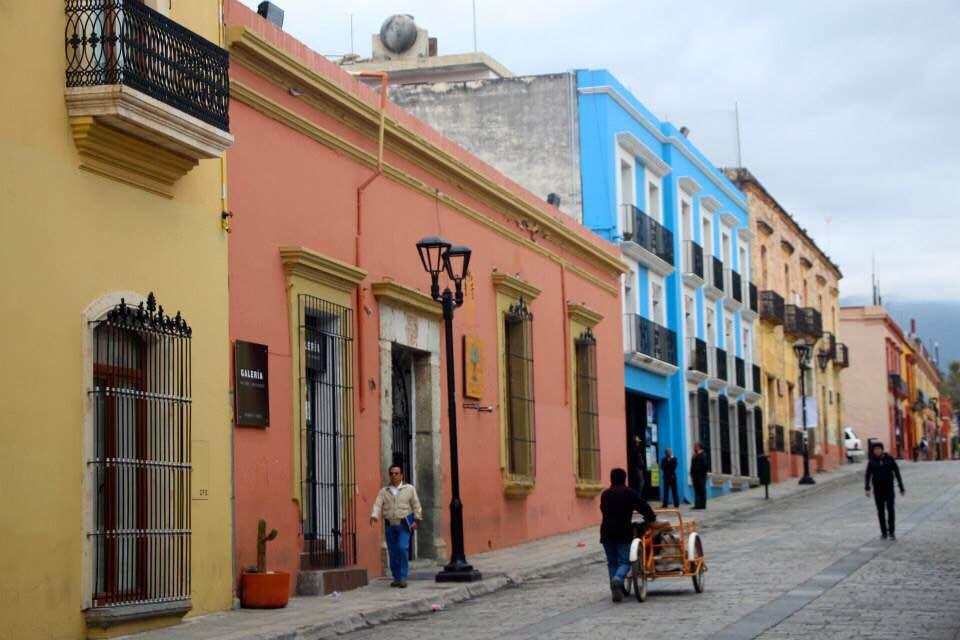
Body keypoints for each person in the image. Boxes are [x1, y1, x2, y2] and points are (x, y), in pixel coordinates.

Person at [600, 467, 656, 602]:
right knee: (625, 561)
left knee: (612, 562)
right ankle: (618, 579)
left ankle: (615, 590)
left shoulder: (605, 494)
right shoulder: (629, 493)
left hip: (606, 532)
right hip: (623, 532)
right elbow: (643, 507)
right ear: (624, 478)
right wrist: (650, 517)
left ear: (611, 479)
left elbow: (602, 509)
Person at [370, 465, 422, 587]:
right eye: (392, 473)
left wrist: (417, 519)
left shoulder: (409, 489)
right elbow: (378, 504)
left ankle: (403, 576)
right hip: (390, 525)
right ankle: (396, 577)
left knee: (402, 548)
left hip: (404, 524)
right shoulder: (384, 491)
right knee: (393, 552)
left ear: (401, 475)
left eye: (397, 473)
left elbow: (416, 504)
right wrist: (374, 515)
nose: (394, 476)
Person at [865, 442, 905, 541]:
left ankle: (891, 532)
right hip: (878, 491)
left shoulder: (890, 459)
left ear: (882, 450)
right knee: (881, 512)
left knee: (891, 510)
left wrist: (901, 487)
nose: (877, 451)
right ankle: (883, 532)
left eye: (879, 449)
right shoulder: (871, 461)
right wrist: (867, 488)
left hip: (889, 489)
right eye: (875, 449)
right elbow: (868, 475)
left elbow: (897, 473)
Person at [690, 442, 708, 510]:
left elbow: (705, 465)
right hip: (695, 476)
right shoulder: (695, 455)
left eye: (696, 446)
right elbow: (692, 466)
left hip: (701, 475)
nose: (694, 447)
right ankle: (697, 504)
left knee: (702, 490)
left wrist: (703, 474)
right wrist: (691, 473)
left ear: (699, 447)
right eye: (694, 446)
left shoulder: (703, 454)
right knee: (696, 490)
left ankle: (702, 505)